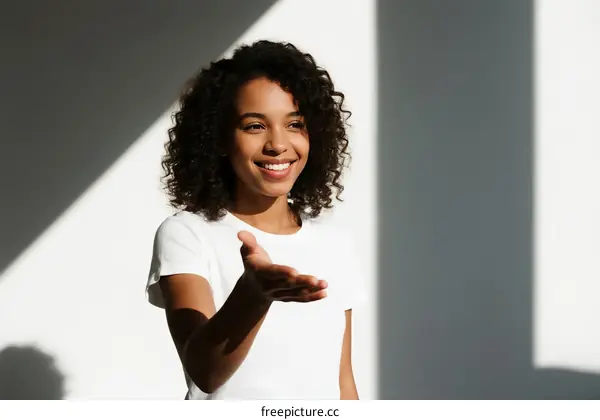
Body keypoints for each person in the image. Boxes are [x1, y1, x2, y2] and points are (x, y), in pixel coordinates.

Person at [146, 40, 364, 400]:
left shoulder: (335, 244)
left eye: (295, 124)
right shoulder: (187, 234)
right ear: (218, 138)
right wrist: (252, 295)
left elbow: (342, 381)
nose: (278, 144)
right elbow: (204, 372)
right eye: (254, 126)